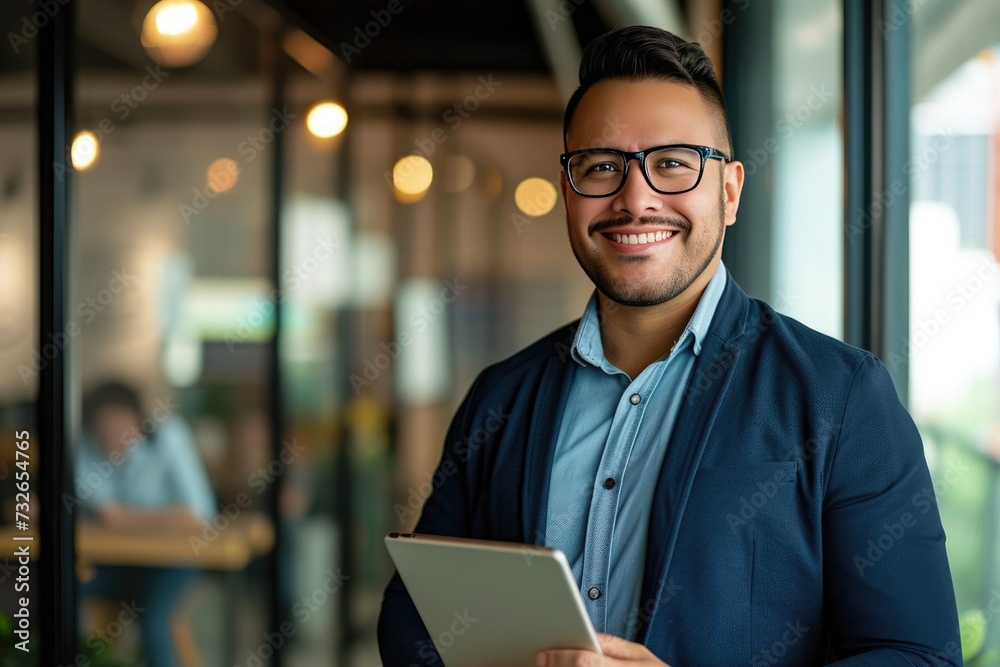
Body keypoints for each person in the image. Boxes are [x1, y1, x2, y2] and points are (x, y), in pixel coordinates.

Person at [378, 25, 962, 666]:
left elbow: (915, 655)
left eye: (673, 164)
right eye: (601, 167)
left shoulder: (841, 396)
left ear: (730, 191)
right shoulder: (502, 395)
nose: (635, 199)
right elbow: (415, 619)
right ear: (569, 190)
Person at [75, 381, 216, 667]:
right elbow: (100, 513)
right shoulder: (85, 444)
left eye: (119, 428)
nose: (111, 440)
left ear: (139, 421)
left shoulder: (169, 437)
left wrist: (122, 518)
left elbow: (199, 515)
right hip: (117, 562)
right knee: (54, 591)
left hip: (173, 561)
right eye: (103, 432)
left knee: (153, 619)